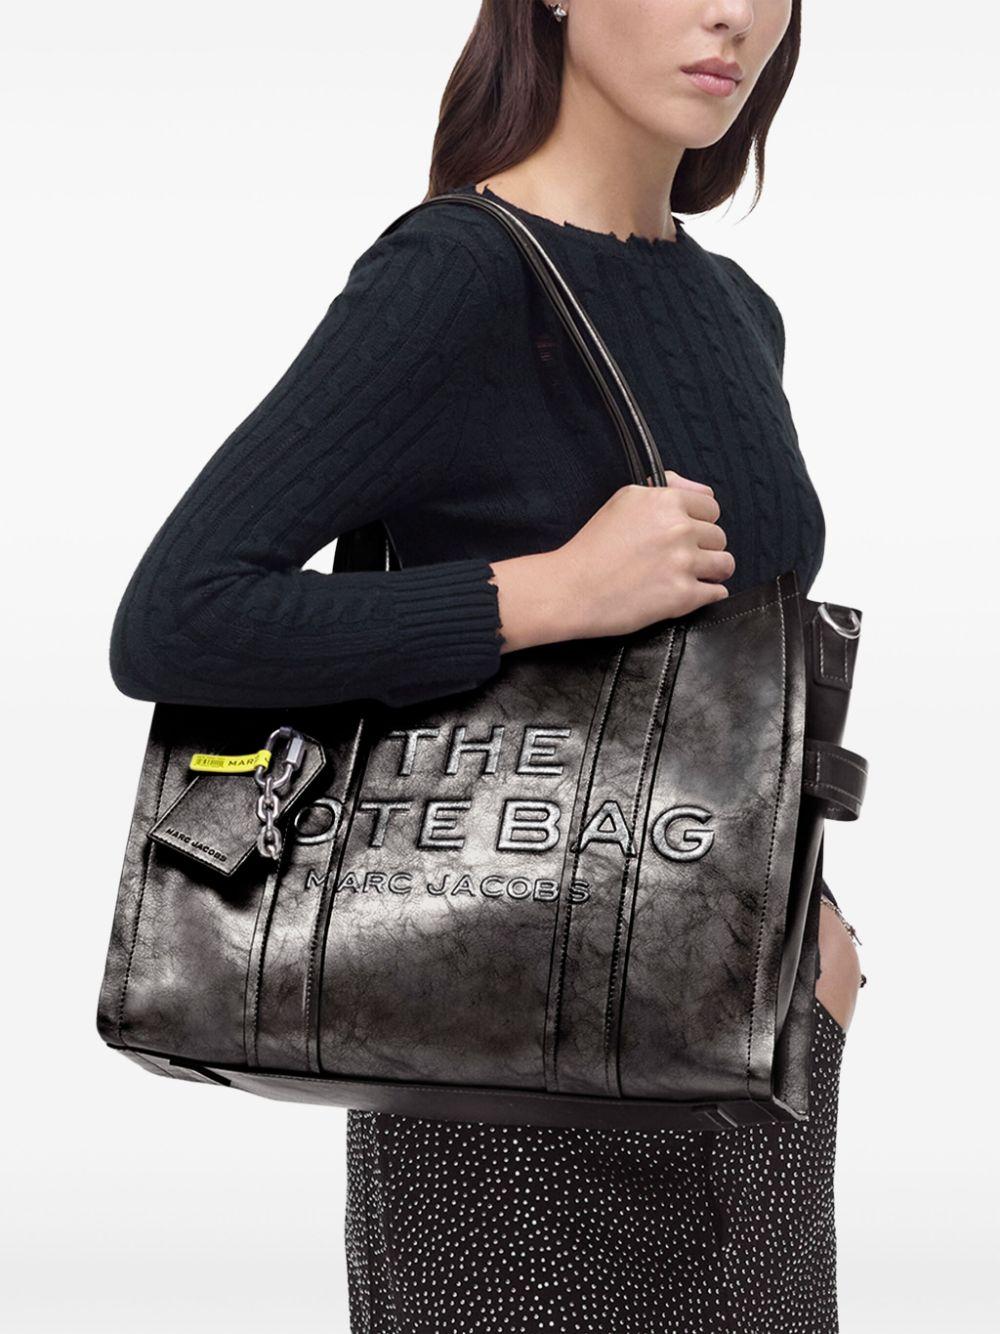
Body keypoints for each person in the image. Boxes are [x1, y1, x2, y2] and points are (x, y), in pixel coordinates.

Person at [109, 0, 866, 1327]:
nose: (733, 15)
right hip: (504, 1070)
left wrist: (817, 935)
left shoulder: (736, 311)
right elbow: (180, 615)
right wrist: (551, 590)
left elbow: (725, 691)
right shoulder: (459, 275)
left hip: (747, 1054)